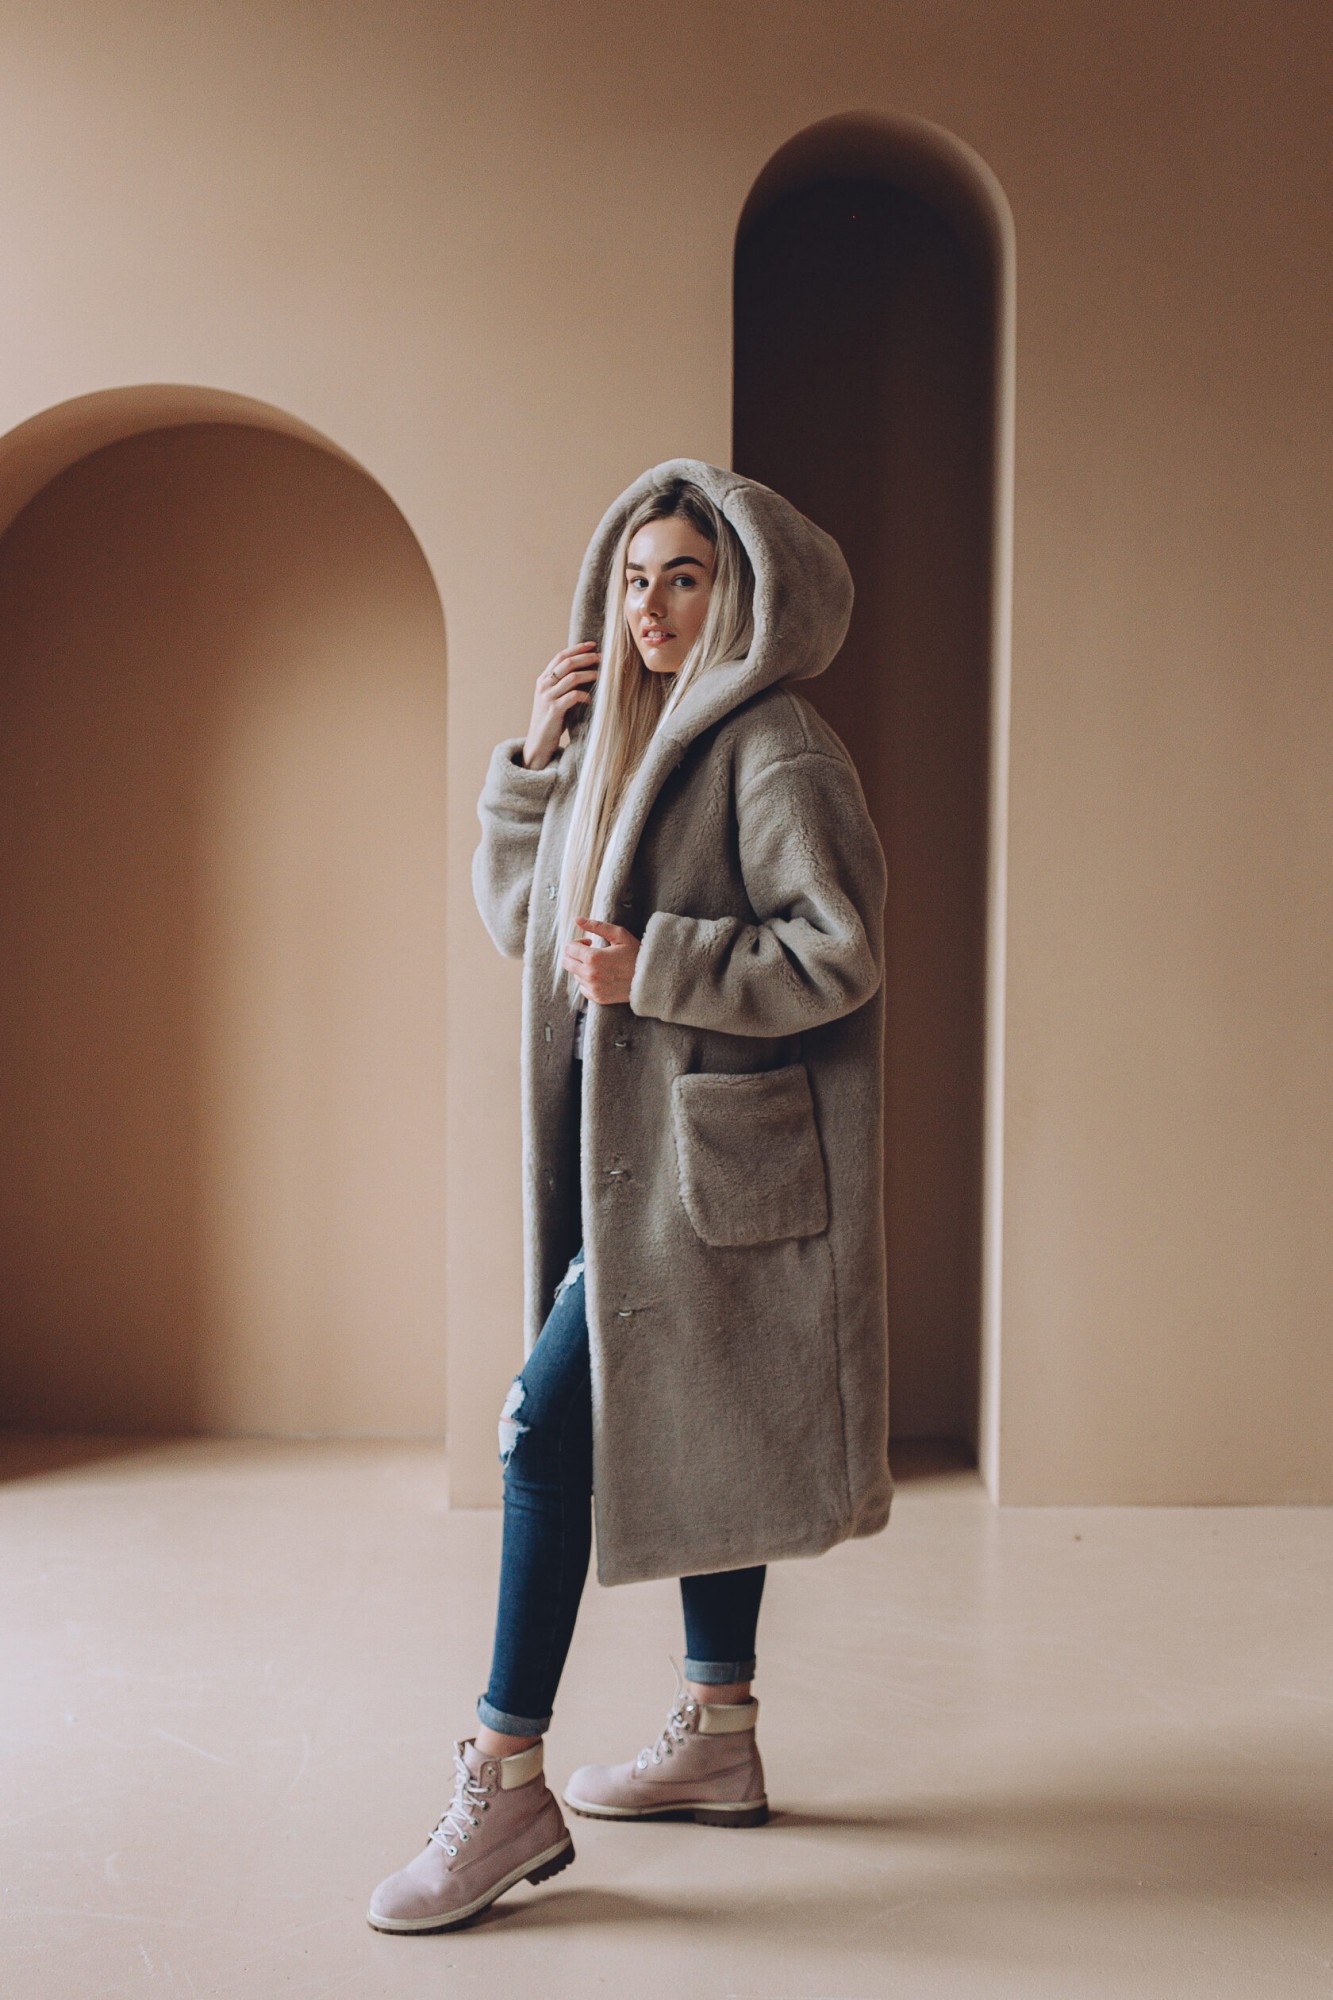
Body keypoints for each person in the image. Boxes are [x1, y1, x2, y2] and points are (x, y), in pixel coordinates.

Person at [368, 460, 893, 1934]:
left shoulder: (775, 746)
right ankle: (719, 1741)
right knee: (702, 1418)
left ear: (742, 594)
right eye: (635, 579)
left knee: (546, 1427)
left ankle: (504, 1780)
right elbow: (525, 929)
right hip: (639, 1156)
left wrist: (656, 963)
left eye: (686, 578)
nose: (653, 607)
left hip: (704, 1163)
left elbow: (840, 950)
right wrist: (536, 766)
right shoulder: (627, 742)